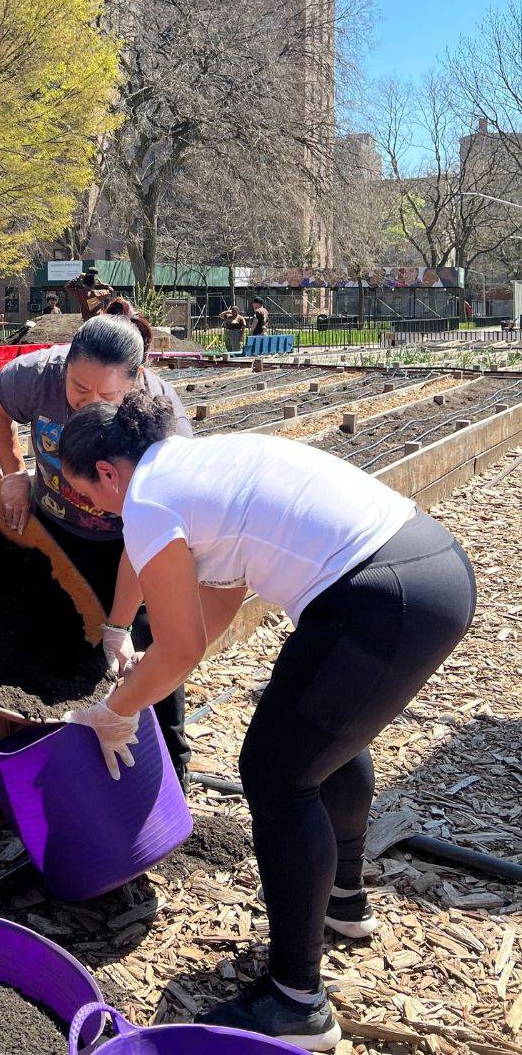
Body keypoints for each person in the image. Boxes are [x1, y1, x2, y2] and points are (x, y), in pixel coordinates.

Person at [58, 390, 475, 1051]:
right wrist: (155, 668)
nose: (98, 511)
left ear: (108, 471)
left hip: (380, 598)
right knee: (321, 735)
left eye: (89, 496)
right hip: (429, 569)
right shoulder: (198, 465)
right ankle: (343, 899)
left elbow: (183, 646)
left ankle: (296, 1002)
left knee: (277, 774)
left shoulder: (147, 500)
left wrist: (115, 710)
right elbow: (211, 613)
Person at [0, 314, 195, 788]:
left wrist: (120, 624)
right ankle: (63, 762)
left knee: (147, 646)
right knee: (63, 639)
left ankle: (167, 770)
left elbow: (154, 533)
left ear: (136, 382)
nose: (89, 403)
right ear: (66, 364)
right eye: (79, 388)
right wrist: (13, 471)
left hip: (129, 538)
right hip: (59, 531)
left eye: (107, 397)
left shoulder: (162, 418)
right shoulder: (36, 377)